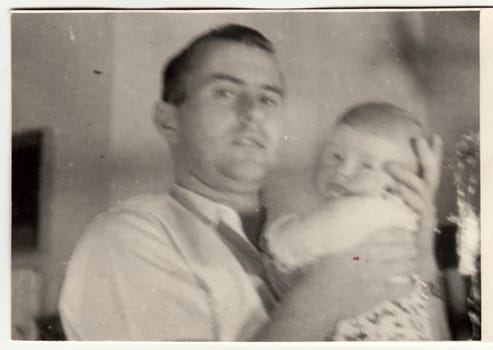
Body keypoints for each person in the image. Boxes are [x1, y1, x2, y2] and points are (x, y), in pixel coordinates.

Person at [58, 24, 443, 341]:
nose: (253, 113)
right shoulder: (128, 237)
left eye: (268, 99)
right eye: (225, 92)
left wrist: (419, 246)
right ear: (168, 119)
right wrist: (323, 298)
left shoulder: (306, 226)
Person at [261, 102, 449, 340]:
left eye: (367, 165)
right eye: (335, 156)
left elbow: (287, 245)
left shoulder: (361, 211)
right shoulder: (407, 217)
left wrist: (279, 230)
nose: (343, 171)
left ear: (400, 183)